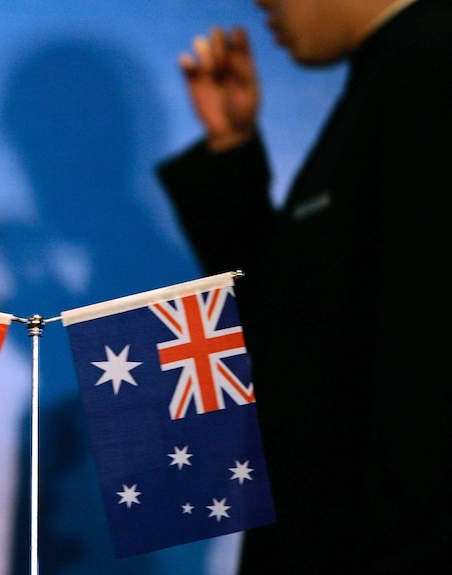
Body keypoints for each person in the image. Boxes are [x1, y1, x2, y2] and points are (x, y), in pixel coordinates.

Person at [156, 0, 452, 573]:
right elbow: (302, 316)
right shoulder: (393, 73)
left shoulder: (431, 66)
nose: (258, 2)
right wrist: (230, 150)